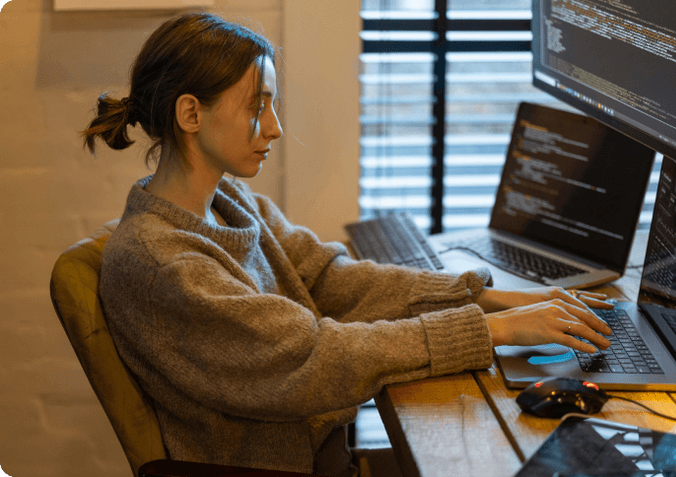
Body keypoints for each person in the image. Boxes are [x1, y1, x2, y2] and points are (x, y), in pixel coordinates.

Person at [82, 12, 613, 477]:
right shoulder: (163, 264)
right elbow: (313, 357)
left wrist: (485, 299)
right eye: (257, 107)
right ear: (191, 114)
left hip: (324, 454)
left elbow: (330, 279)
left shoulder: (231, 202)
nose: (275, 128)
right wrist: (490, 331)